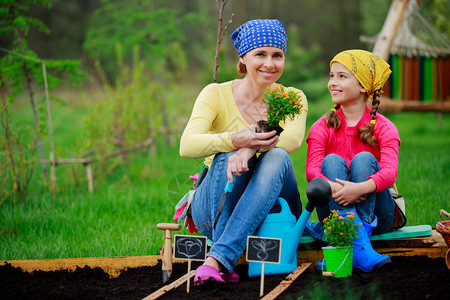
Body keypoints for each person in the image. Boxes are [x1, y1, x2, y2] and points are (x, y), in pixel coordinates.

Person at [179, 19, 308, 285]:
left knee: (278, 156)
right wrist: (236, 139)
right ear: (243, 58)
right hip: (215, 209)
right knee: (226, 154)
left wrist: (249, 147)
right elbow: (187, 145)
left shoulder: (292, 97)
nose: (269, 64)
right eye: (260, 54)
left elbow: (293, 139)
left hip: (273, 208)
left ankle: (217, 260)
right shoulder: (215, 94)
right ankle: (223, 256)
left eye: (277, 55)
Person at [306, 49, 400, 272]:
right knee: (331, 162)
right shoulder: (321, 127)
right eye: (331, 76)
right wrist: (338, 189)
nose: (332, 82)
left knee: (364, 158)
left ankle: (354, 237)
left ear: (362, 86)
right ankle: (359, 246)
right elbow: (312, 171)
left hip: (379, 215)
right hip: (334, 213)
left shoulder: (384, 127)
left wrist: (358, 189)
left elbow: (389, 172)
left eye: (342, 76)